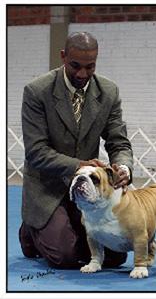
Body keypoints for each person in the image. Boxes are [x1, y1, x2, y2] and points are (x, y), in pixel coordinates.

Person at [19, 32, 134, 269]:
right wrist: (79, 166)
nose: (82, 74)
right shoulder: (36, 91)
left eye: (90, 67)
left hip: (90, 188)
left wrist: (123, 167)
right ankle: (31, 230)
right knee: (66, 257)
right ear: (63, 57)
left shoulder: (109, 91)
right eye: (75, 66)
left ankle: (63, 230)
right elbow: (36, 151)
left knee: (115, 257)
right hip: (47, 188)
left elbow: (118, 142)